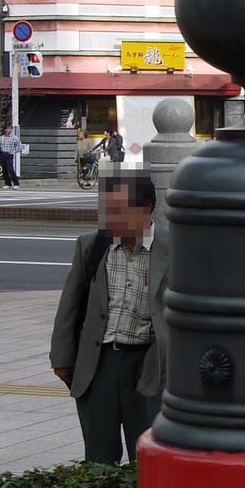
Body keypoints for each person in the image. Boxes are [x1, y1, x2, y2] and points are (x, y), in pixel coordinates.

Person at [50, 173, 167, 464]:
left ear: (145, 209)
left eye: (117, 210)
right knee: (99, 455)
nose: (108, 219)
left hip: (150, 363)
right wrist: (62, 358)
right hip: (100, 361)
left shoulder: (175, 249)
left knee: (149, 454)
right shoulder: (92, 246)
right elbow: (70, 304)